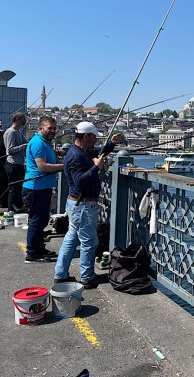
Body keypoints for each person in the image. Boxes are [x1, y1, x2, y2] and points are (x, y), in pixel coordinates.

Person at [54, 122, 122, 288]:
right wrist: (96, 167)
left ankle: (60, 275)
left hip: (76, 203)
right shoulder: (76, 157)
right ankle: (87, 277)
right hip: (83, 205)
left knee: (71, 239)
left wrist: (111, 144)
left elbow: (99, 152)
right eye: (93, 137)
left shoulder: (78, 151)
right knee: (89, 242)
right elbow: (80, 181)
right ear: (86, 137)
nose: (95, 139)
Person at [22, 116, 64, 263]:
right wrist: (65, 166)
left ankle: (39, 248)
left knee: (42, 220)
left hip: (42, 187)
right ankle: (32, 253)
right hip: (35, 188)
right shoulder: (38, 143)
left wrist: (57, 153)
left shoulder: (44, 142)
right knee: (36, 221)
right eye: (49, 128)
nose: (52, 131)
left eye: (54, 128)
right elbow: (42, 166)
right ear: (40, 128)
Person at [3, 112, 28, 212]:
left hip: (19, 164)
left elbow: (26, 142)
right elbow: (9, 150)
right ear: (17, 120)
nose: (24, 121)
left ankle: (18, 208)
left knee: (18, 188)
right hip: (13, 164)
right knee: (13, 189)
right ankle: (11, 210)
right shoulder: (11, 132)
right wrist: (23, 146)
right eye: (22, 119)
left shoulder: (18, 132)